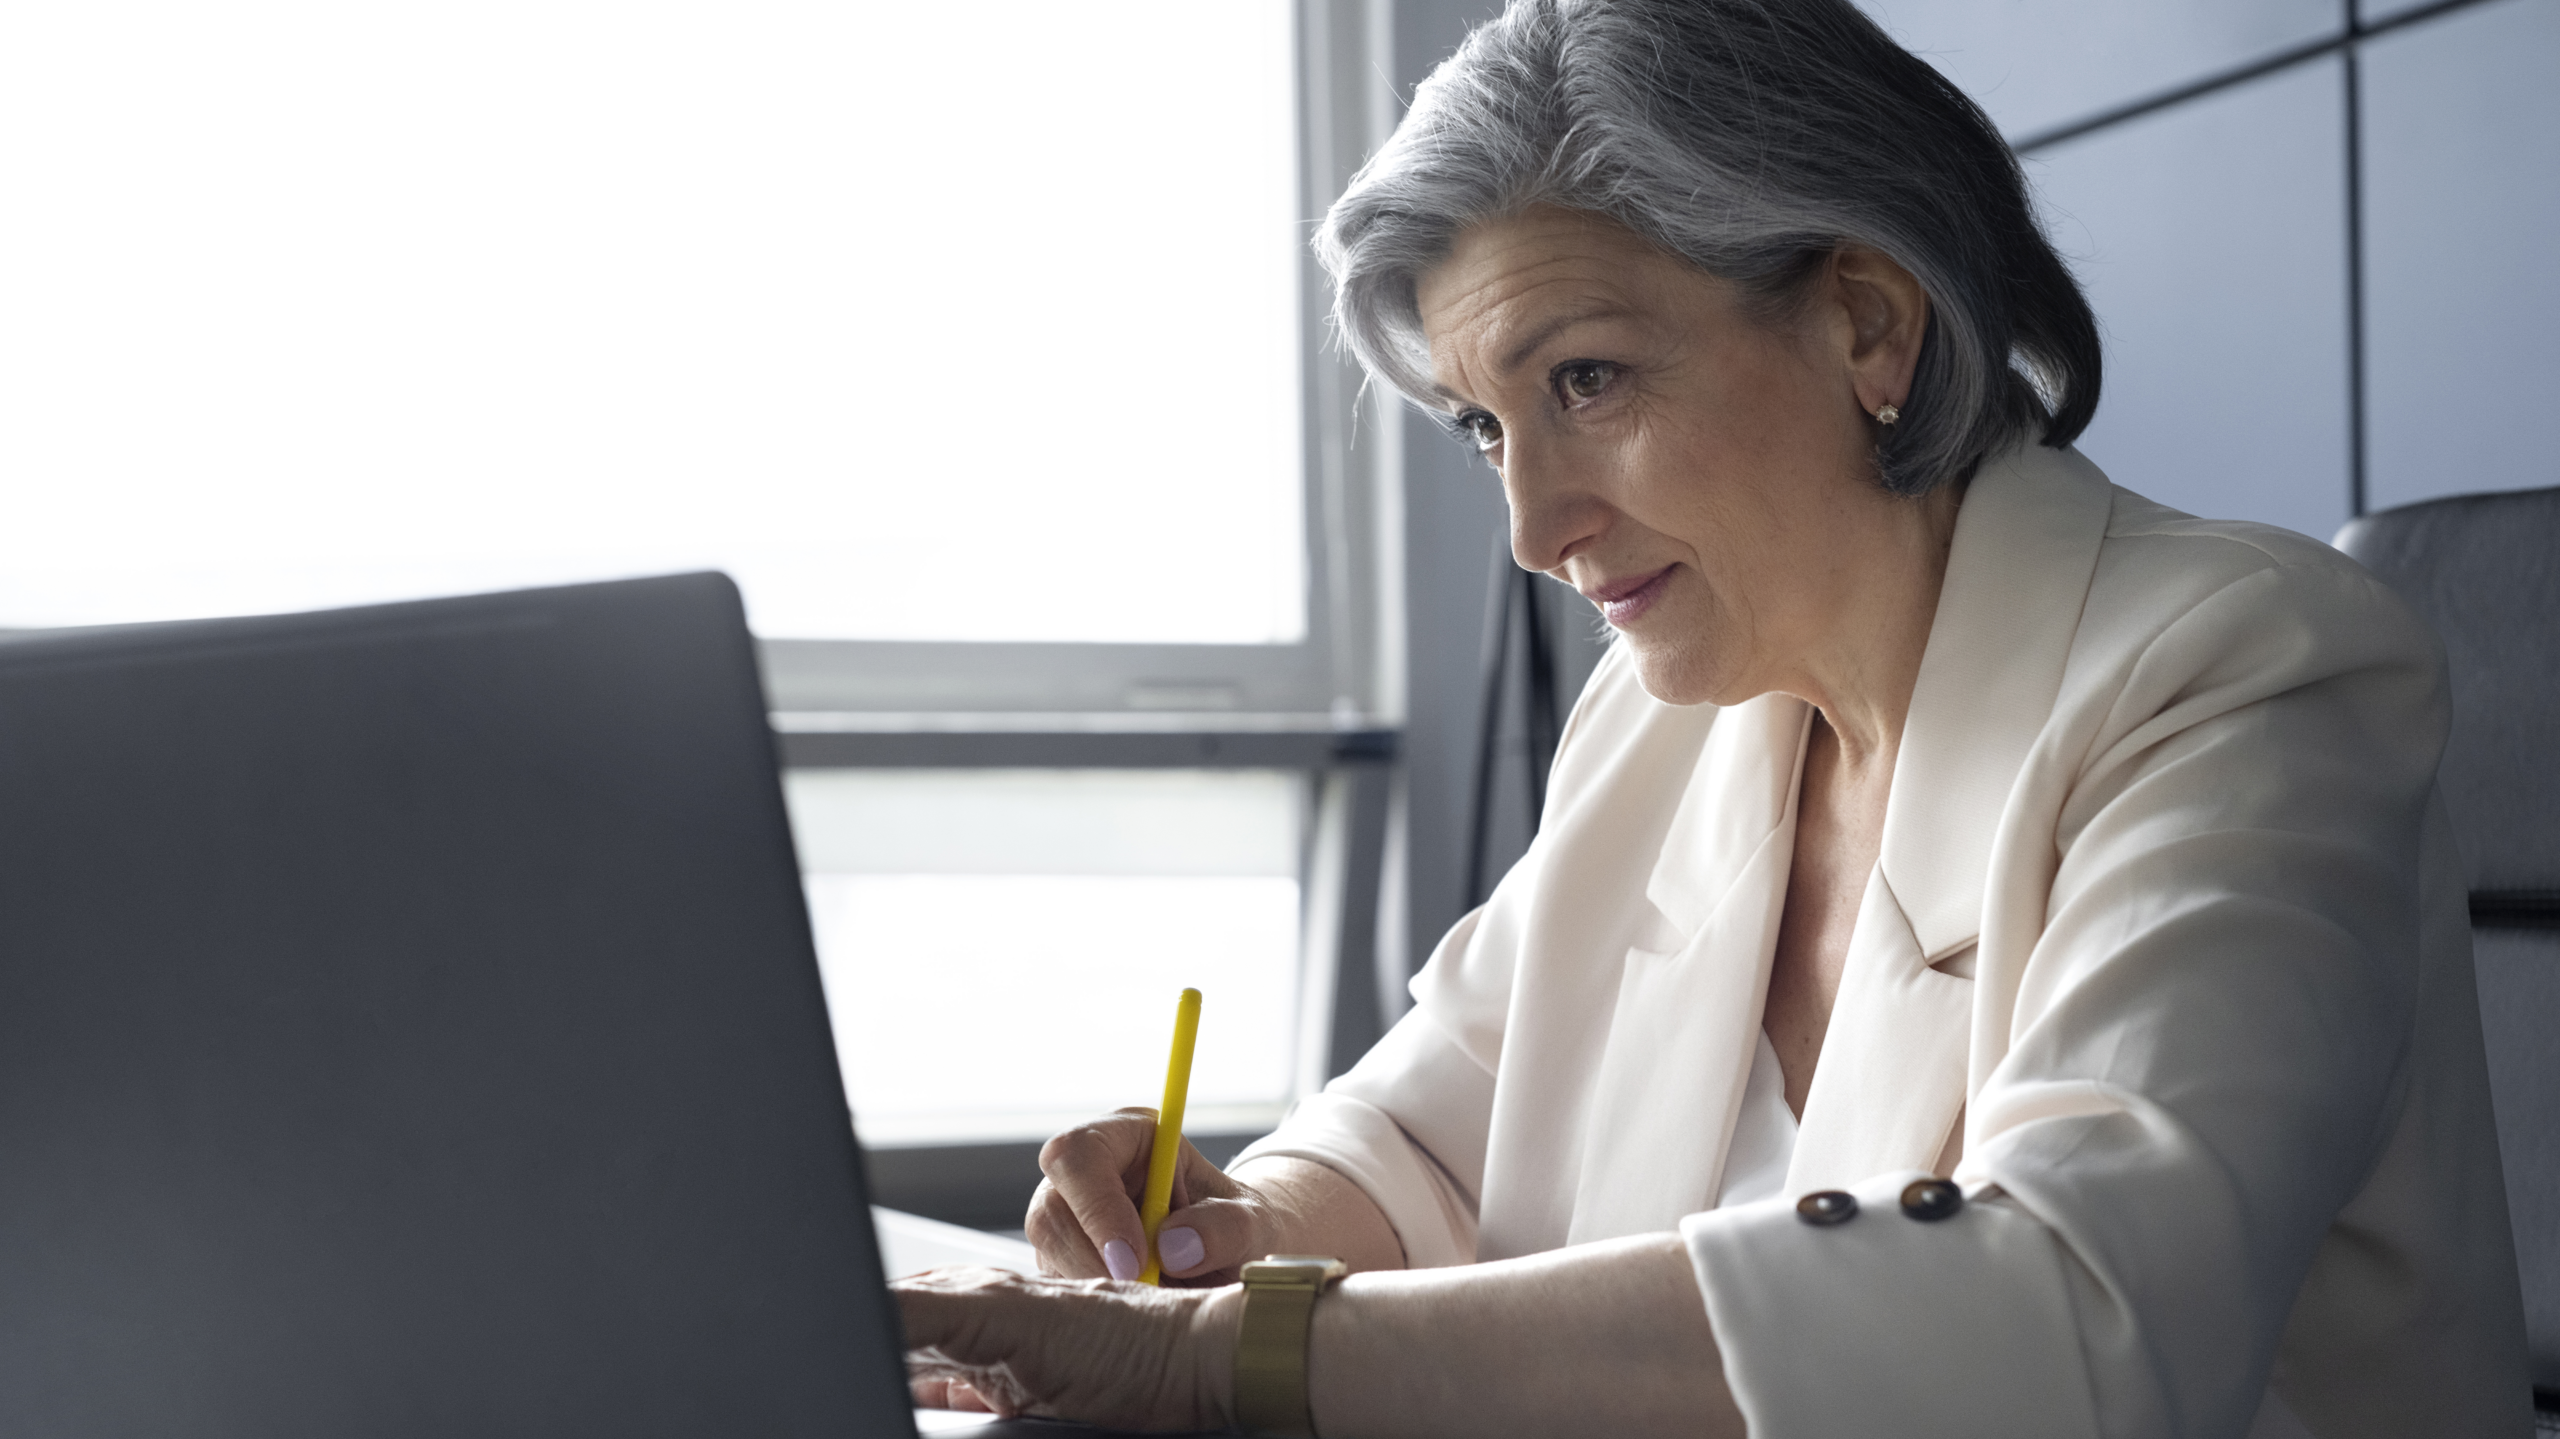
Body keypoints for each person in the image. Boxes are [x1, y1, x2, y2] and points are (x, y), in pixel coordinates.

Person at [896, 2, 2533, 1434]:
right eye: (1486, 424)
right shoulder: (1669, 719)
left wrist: (1227, 1356)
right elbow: (1426, 1143)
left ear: (1867, 322)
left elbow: (2064, 1319)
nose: (1535, 525)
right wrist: (1237, 1230)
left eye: (1588, 380)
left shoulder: (2244, 671)